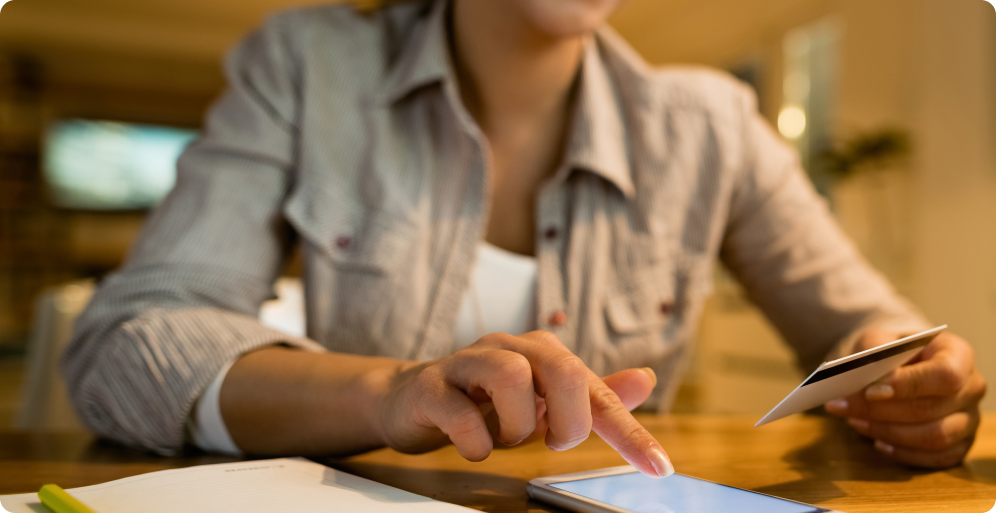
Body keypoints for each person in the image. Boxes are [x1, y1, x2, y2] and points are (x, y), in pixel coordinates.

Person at [62, 0, 986, 476]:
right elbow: (129, 345)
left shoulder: (714, 123)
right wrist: (390, 393)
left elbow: (871, 326)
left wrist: (915, 382)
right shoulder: (306, 69)